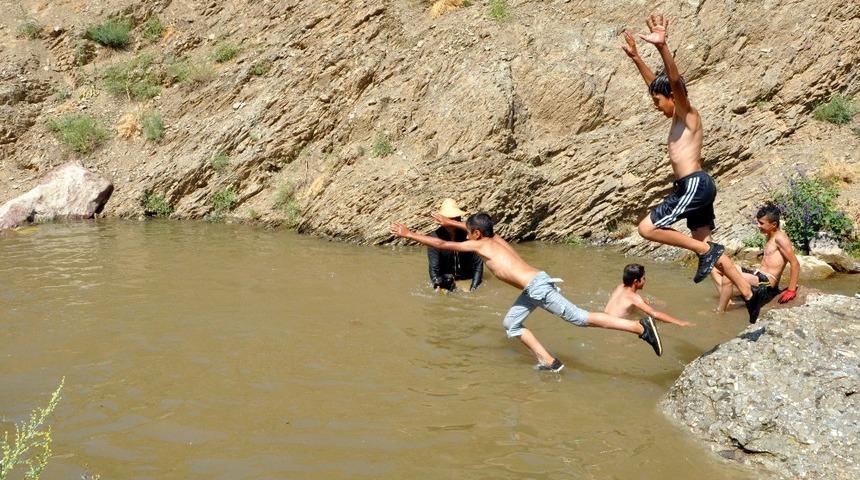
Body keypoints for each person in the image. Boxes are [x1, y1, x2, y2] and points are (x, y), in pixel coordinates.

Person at [621, 14, 770, 322]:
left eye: (658, 101)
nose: (656, 106)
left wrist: (662, 47)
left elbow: (673, 83)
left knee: (647, 229)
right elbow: (658, 85)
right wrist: (637, 59)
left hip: (693, 185)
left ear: (673, 99)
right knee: (706, 243)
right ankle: (749, 292)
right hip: (695, 187)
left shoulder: (687, 113)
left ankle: (705, 254)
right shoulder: (676, 114)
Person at [389, 213, 664, 373]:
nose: (467, 237)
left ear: (476, 235)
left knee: (581, 318)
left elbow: (442, 245)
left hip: (537, 287)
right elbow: (477, 232)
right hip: (534, 286)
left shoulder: (479, 245)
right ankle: (549, 362)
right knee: (511, 323)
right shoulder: (494, 239)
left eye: (469, 233)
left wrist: (409, 234)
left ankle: (640, 328)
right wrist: (454, 223)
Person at [713, 204, 800, 318]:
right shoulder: (770, 234)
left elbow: (795, 263)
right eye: (758, 222)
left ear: (774, 225)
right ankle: (727, 300)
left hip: (767, 283)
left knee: (728, 277)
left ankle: (720, 312)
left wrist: (791, 290)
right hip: (758, 275)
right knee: (715, 268)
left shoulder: (780, 239)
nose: (758, 226)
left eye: (761, 223)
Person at [604, 264, 694, 327]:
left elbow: (622, 301)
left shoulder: (619, 287)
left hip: (604, 319)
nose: (645, 281)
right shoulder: (634, 298)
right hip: (616, 325)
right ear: (636, 281)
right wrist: (679, 322)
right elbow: (654, 314)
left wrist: (642, 302)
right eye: (643, 278)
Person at [427, 199, 483, 292]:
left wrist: (474, 287)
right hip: (447, 281)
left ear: (459, 219)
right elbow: (434, 269)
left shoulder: (469, 235)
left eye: (455, 218)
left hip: (468, 278)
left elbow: (478, 265)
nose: (451, 222)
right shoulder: (435, 237)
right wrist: (437, 285)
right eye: (448, 218)